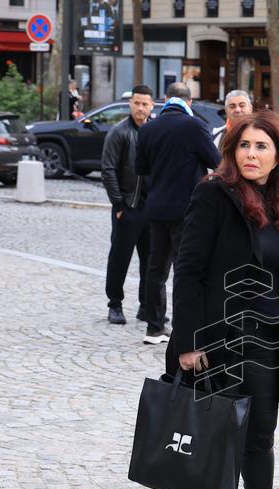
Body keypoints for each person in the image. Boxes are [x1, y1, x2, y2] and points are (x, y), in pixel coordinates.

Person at [168, 110, 279, 489]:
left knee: (260, 438)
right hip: (217, 341)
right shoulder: (213, 194)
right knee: (217, 440)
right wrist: (187, 343)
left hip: (267, 343)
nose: (252, 154)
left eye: (261, 147)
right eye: (244, 146)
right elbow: (187, 270)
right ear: (232, 151)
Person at [135, 81, 222, 344]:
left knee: (155, 269)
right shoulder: (194, 125)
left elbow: (141, 168)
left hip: (157, 207)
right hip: (187, 209)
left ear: (165, 99)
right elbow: (216, 162)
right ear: (189, 102)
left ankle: (154, 326)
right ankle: (185, 328)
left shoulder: (148, 128)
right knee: (186, 270)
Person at [102, 84, 153, 325]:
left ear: (152, 105)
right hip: (128, 208)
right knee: (119, 259)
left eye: (145, 103)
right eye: (136, 103)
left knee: (151, 262)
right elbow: (108, 170)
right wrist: (119, 205)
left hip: (152, 209)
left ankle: (146, 306)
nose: (140, 107)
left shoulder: (156, 131)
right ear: (130, 104)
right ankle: (115, 304)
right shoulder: (119, 132)